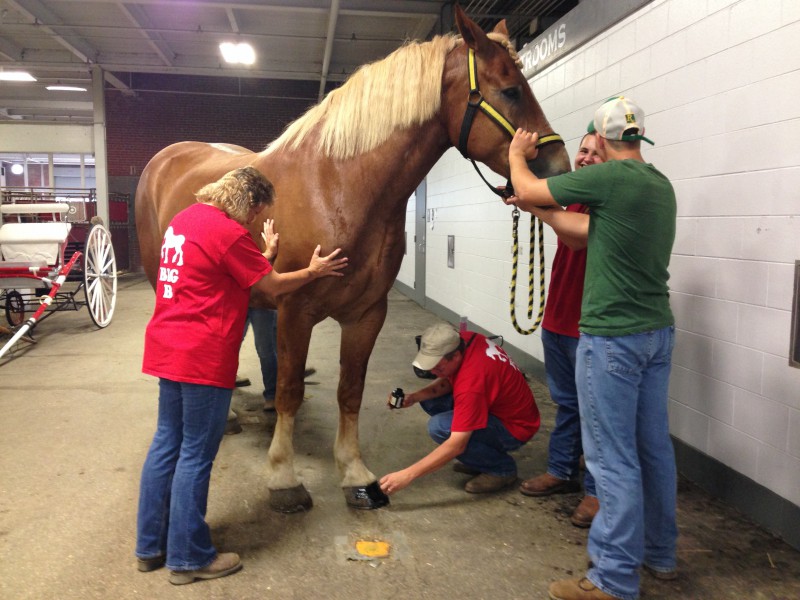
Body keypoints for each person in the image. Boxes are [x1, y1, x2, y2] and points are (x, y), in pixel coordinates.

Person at [135, 167, 348, 585]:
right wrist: (314, 271)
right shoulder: (228, 231)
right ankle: (188, 558)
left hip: (167, 348)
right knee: (196, 454)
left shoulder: (185, 220)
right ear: (248, 203)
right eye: (257, 214)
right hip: (202, 356)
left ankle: (150, 547)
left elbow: (224, 273)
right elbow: (272, 288)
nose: (253, 222)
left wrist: (264, 252)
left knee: (166, 445)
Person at [505, 96, 677, 600]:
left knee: (611, 459)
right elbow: (580, 231)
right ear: (637, 136)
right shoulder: (658, 185)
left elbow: (530, 184)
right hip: (655, 333)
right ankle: (660, 554)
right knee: (652, 449)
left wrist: (518, 155)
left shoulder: (608, 179)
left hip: (612, 338)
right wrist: (537, 207)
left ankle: (612, 579)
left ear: (600, 140)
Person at [518, 132, 602, 529]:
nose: (584, 158)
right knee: (568, 404)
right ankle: (561, 470)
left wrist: (534, 206)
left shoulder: (607, 201)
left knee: (596, 413)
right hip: (558, 321)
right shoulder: (577, 197)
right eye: (582, 150)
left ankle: (597, 493)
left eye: (594, 153)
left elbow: (574, 235)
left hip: (589, 328)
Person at [379, 322, 540, 496]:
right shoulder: (467, 339)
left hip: (515, 427)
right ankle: (481, 457)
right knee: (431, 400)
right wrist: (414, 397)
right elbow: (450, 378)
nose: (434, 372)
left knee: (440, 427)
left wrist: (406, 475)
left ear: (455, 356)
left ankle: (501, 469)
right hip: (499, 406)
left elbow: (456, 445)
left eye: (439, 367)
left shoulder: (471, 385)